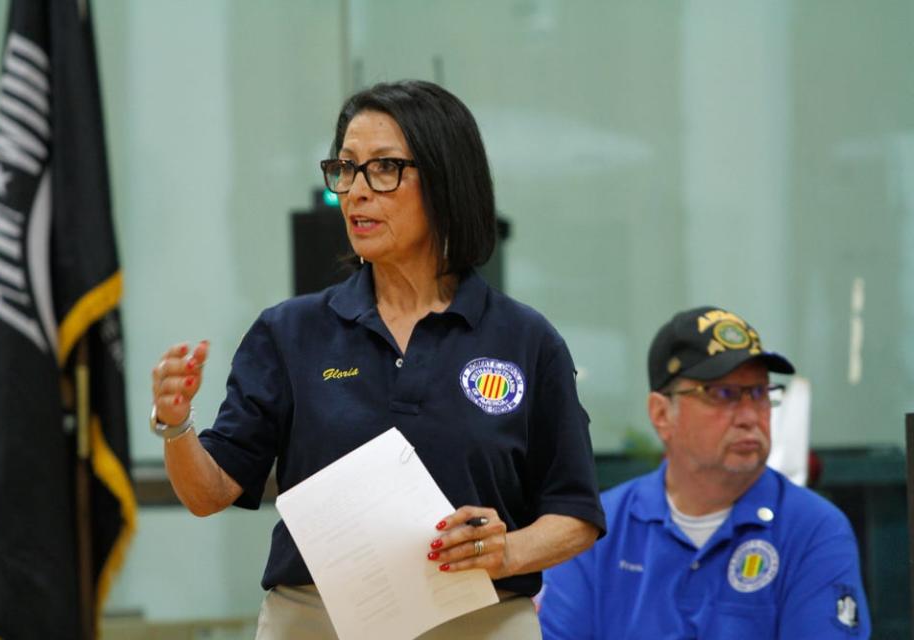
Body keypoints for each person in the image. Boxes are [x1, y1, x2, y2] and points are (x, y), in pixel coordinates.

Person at [150, 80, 606, 639]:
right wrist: (176, 425)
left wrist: (507, 550)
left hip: (479, 618)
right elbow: (209, 493)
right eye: (345, 168)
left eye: (384, 168)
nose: (356, 192)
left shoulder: (526, 339)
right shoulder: (289, 331)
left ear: (444, 181)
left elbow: (576, 514)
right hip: (315, 620)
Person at [539, 306, 871, 639]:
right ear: (661, 413)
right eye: (723, 394)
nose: (749, 417)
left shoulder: (814, 530)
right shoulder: (597, 531)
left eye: (759, 394)